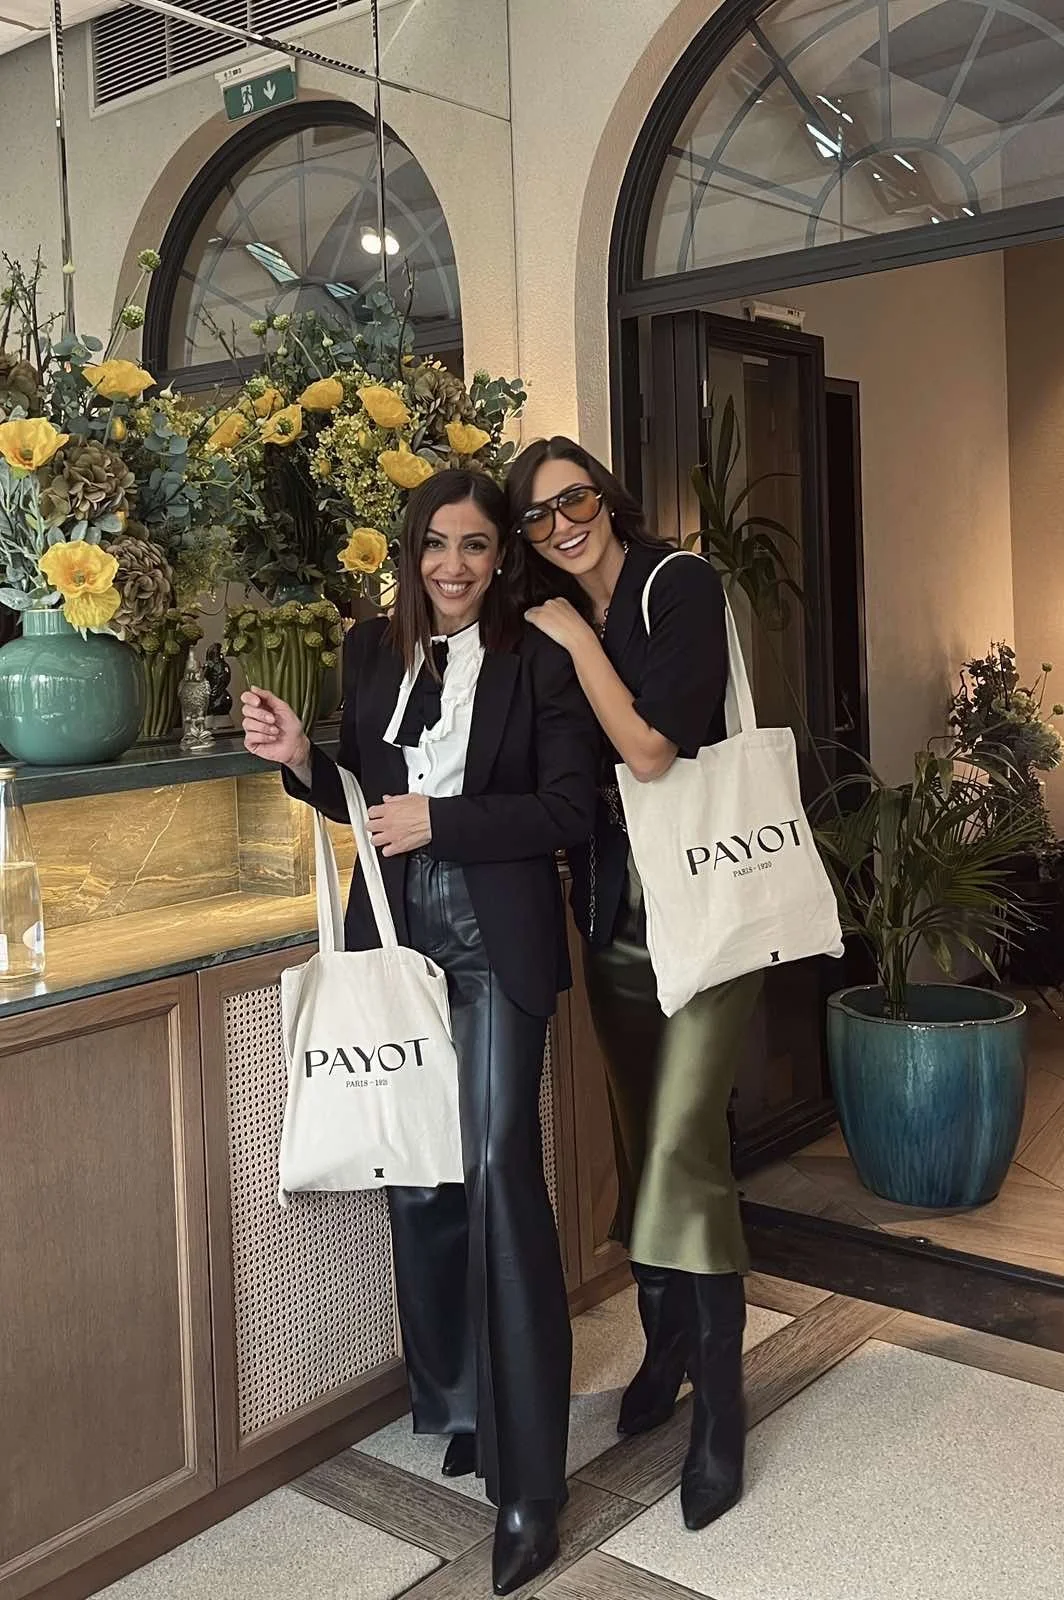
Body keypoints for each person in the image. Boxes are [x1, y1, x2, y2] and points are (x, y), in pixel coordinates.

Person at [241, 469, 596, 1595]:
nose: (452, 566)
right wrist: (305, 758)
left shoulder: (539, 656)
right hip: (396, 933)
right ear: (411, 548)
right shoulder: (370, 648)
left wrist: (441, 818)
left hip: (498, 938)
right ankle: (461, 1403)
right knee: (420, 1175)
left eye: (476, 546)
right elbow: (361, 792)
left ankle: (531, 1478)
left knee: (496, 1168)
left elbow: (567, 810)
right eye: (436, 545)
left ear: (502, 556)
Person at [507, 436, 762, 1534]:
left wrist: (570, 633)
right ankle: (663, 1344)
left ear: (606, 497)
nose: (563, 524)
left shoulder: (677, 586)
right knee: (634, 1132)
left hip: (704, 920)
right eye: (538, 517)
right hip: (613, 918)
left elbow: (656, 750)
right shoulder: (553, 621)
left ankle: (724, 1404)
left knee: (680, 1153)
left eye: (575, 500)